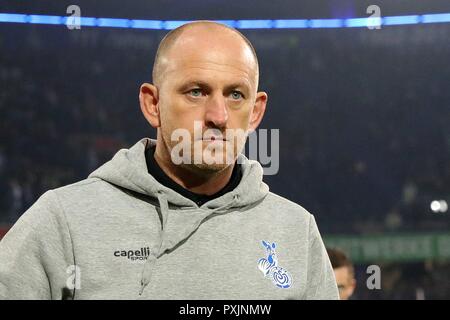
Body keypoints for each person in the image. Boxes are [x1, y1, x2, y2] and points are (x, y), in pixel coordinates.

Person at [0, 21, 338, 300]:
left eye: (236, 95)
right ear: (152, 104)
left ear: (255, 112)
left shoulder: (296, 230)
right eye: (196, 91)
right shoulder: (64, 221)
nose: (218, 115)